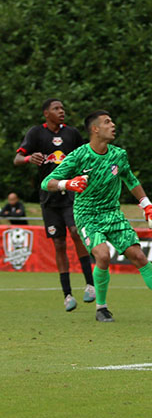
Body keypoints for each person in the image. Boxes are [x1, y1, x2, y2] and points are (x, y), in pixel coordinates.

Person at [43, 111, 152, 324]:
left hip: (113, 214)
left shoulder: (118, 155)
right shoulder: (79, 155)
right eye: (107, 122)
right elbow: (47, 182)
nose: (113, 125)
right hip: (87, 216)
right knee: (102, 255)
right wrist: (68, 183)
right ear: (95, 129)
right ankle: (101, 308)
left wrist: (147, 206)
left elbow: (130, 179)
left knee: (138, 256)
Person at [14, 98, 95, 311]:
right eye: (56, 108)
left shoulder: (72, 134)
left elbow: (87, 157)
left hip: (70, 194)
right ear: (46, 114)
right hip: (49, 198)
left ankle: (90, 284)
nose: (62, 111)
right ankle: (67, 295)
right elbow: (17, 159)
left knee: (76, 232)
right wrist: (28, 158)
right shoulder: (35, 133)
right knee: (59, 243)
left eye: (63, 108)